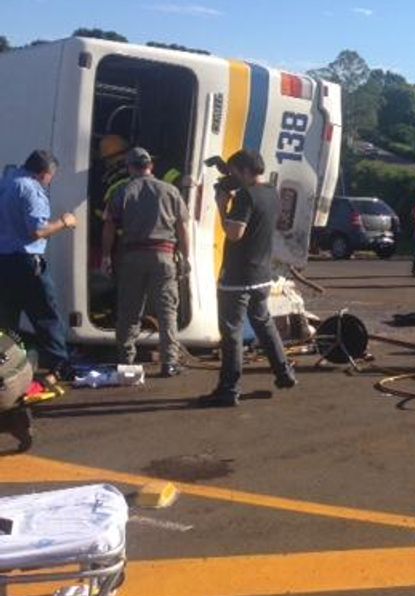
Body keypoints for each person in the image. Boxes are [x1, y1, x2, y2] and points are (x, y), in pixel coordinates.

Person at [198, 149, 296, 407]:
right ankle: (284, 373)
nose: (231, 177)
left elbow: (234, 234)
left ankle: (228, 389)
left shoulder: (245, 197)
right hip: (262, 274)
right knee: (264, 324)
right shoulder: (272, 194)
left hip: (238, 276)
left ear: (244, 171)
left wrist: (222, 206)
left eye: (233, 172)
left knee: (231, 332)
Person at [101, 148, 190, 377]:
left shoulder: (122, 191)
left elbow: (109, 226)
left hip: (132, 257)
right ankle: (169, 363)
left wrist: (106, 256)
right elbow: (183, 227)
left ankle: (126, 363)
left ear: (130, 167)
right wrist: (186, 257)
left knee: (130, 311)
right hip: (164, 256)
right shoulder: (170, 191)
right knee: (166, 311)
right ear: (151, 166)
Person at [0, 150, 77, 380]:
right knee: (46, 316)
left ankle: (7, 367)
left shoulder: (7, 182)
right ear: (44, 174)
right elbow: (37, 231)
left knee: (7, 320)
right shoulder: (31, 189)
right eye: (51, 177)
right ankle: (59, 365)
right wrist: (65, 222)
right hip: (26, 262)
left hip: (3, 261)